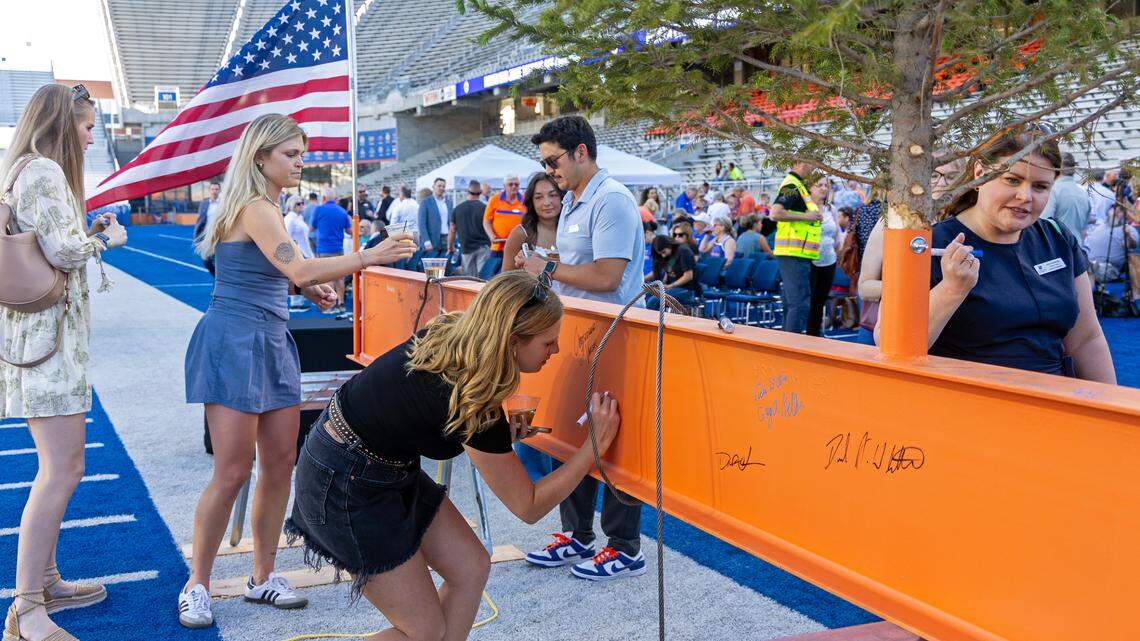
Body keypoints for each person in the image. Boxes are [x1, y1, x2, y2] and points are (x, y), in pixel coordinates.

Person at [284, 271, 620, 640]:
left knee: (470, 567)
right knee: (424, 632)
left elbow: (424, 409)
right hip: (343, 481)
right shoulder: (477, 402)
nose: (554, 352)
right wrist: (592, 449)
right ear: (511, 340)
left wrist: (497, 437)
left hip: (372, 462)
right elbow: (529, 506)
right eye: (547, 343)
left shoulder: (457, 335)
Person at [179, 114, 416, 629]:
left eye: (301, 153)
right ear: (260, 157)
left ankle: (263, 577)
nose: (301, 162)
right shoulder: (255, 206)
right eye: (291, 154)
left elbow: (280, 273)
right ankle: (196, 582)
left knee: (281, 463)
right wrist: (366, 257)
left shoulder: (268, 209)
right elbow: (298, 266)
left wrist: (303, 290)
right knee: (233, 470)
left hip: (269, 338)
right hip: (235, 340)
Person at [0, 82, 129, 641]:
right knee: (62, 470)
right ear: (61, 123)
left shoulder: (20, 171)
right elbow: (64, 250)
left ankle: (46, 580)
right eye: (85, 123)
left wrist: (85, 233)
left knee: (58, 467)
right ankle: (26, 609)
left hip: (36, 342)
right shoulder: (45, 172)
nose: (91, 133)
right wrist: (107, 238)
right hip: (49, 346)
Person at [877, 125, 1114, 383]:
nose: (1025, 196)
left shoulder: (1057, 238)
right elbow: (890, 341)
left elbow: (1086, 339)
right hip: (967, 405)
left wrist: (1112, 409)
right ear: (979, 173)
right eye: (1012, 180)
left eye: (1040, 187)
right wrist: (952, 290)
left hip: (1053, 405)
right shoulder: (929, 244)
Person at [516, 114, 646, 580]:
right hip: (577, 330)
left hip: (613, 333)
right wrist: (545, 266)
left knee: (611, 436)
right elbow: (576, 270)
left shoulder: (611, 199)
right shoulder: (575, 199)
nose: (549, 171)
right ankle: (578, 534)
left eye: (553, 161)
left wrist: (545, 269)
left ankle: (625, 545)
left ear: (581, 152)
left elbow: (608, 276)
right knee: (572, 433)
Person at [770, 161, 823, 333]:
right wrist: (808, 217)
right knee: (798, 303)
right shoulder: (792, 185)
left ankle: (788, 343)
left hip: (796, 253)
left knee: (793, 302)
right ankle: (793, 345)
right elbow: (776, 213)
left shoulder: (798, 185)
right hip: (794, 253)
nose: (813, 168)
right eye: (811, 164)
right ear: (800, 163)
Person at [504, 172, 563, 271]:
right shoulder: (520, 233)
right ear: (531, 201)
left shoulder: (573, 230)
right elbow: (506, 279)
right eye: (539, 197)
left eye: (553, 195)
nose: (547, 203)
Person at [310, 188, 353, 313]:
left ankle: (330, 304)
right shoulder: (342, 211)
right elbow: (349, 231)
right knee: (340, 278)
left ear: (323, 198)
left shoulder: (318, 209)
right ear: (335, 199)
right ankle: (341, 304)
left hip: (323, 248)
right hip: (338, 248)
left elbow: (311, 228)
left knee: (327, 277)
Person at [807, 177, 839, 337]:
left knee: (820, 301)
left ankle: (814, 336)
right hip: (809, 260)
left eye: (826, 185)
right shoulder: (806, 208)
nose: (824, 188)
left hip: (829, 260)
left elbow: (837, 235)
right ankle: (803, 335)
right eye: (820, 185)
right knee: (809, 300)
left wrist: (836, 251)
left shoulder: (831, 209)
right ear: (811, 187)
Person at [1040, 153, 1091, 240]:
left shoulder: (1053, 190)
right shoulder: (1083, 193)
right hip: (1076, 247)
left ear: (1057, 168)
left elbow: (1043, 224)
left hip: (1057, 248)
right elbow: (1084, 230)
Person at [1084, 206, 1137, 283]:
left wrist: (1127, 234)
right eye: (1114, 209)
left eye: (1120, 211)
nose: (1116, 212)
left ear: (1126, 215)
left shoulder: (1129, 230)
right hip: (1087, 262)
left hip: (1108, 268)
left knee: (1090, 270)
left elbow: (1132, 246)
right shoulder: (1100, 224)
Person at [645, 236, 700, 309]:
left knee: (653, 301)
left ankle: (653, 319)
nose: (663, 255)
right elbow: (668, 273)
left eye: (663, 252)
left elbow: (688, 276)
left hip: (687, 289)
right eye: (660, 254)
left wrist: (671, 286)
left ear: (669, 245)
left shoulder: (684, 251)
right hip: (672, 287)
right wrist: (662, 285)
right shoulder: (668, 255)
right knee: (646, 295)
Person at [453, 180, 492, 276]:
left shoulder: (457, 209)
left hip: (466, 248)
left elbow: (452, 230)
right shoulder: (485, 208)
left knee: (469, 279)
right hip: (483, 246)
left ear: (468, 191)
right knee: (483, 278)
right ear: (480, 192)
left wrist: (450, 247)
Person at [483, 174, 526, 257]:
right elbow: (486, 221)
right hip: (498, 246)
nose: (514, 186)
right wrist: (492, 236)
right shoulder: (495, 199)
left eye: (516, 184)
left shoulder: (525, 200)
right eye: (510, 184)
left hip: (518, 246)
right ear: (504, 186)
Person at [194, 181, 223, 275]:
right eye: (212, 189)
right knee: (206, 260)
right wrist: (196, 237)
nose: (214, 191)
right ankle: (216, 276)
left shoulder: (224, 204)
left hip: (221, 236)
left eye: (216, 189)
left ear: (220, 191)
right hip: (206, 236)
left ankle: (220, 282)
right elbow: (200, 220)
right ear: (209, 190)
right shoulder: (204, 203)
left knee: (220, 261)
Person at [418, 177, 453, 253]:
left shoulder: (449, 203)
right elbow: (421, 224)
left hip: (446, 239)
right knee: (432, 264)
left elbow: (451, 222)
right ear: (433, 186)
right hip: (432, 240)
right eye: (439, 186)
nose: (441, 188)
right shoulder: (425, 202)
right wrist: (426, 241)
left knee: (446, 264)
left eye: (443, 186)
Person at [283, 195, 313, 260]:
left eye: (302, 203)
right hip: (299, 255)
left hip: (306, 253)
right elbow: (286, 238)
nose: (301, 205)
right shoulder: (289, 219)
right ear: (292, 205)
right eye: (298, 204)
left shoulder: (299, 217)